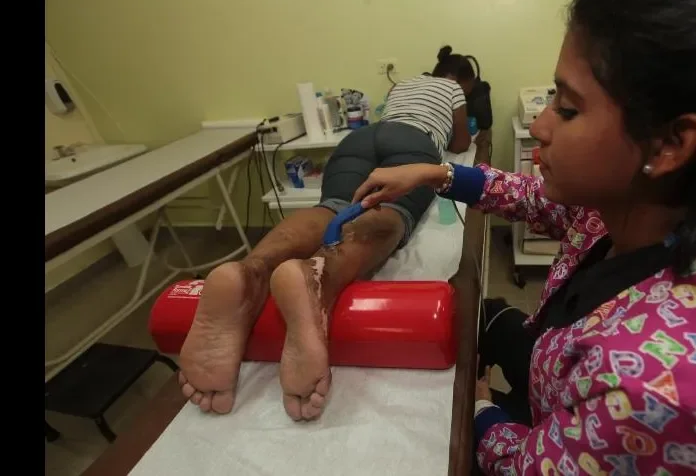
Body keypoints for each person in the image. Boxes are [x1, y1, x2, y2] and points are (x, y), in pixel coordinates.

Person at [352, 0, 696, 472]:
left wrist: (481, 411)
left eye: (568, 109)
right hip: (552, 378)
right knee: (483, 312)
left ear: (669, 144)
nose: (540, 126)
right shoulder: (639, 207)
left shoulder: (661, 390)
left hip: (544, 436)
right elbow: (535, 199)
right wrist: (436, 173)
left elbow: (531, 467)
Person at [177, 46, 477, 421]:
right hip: (414, 143)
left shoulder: (402, 85)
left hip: (360, 140)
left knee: (333, 207)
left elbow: (387, 122)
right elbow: (461, 144)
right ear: (461, 79)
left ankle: (252, 270)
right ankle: (318, 276)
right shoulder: (453, 88)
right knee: (385, 211)